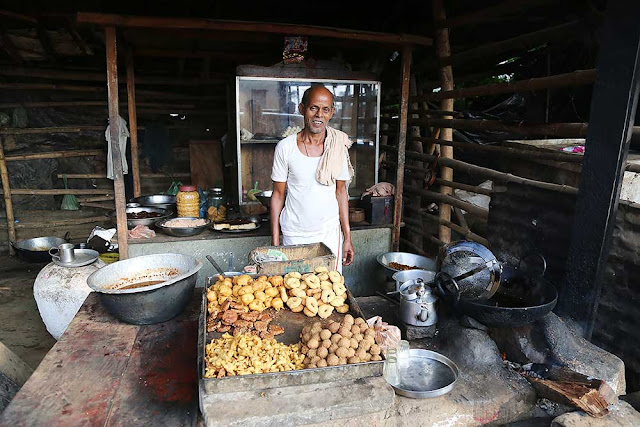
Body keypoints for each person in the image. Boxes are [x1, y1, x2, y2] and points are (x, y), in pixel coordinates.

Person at [270, 85, 355, 272]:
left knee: (329, 293)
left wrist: (347, 237)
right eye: (313, 108)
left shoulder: (337, 146)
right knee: (296, 294)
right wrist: (275, 243)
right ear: (302, 109)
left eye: (325, 109)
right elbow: (277, 195)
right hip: (294, 235)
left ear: (332, 112)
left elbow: (341, 192)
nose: (319, 115)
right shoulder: (286, 148)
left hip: (329, 235)